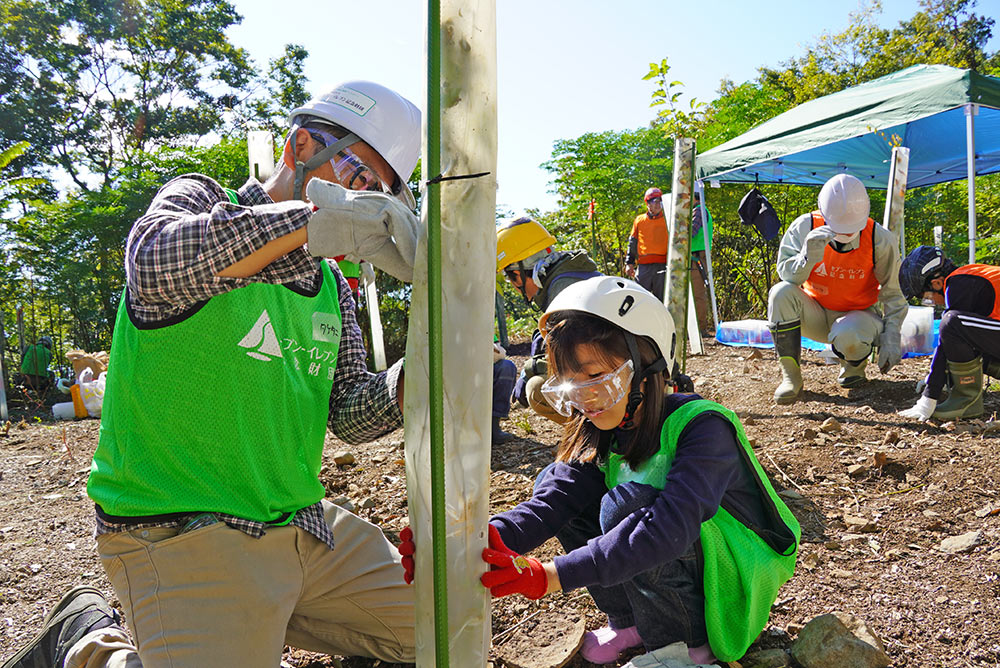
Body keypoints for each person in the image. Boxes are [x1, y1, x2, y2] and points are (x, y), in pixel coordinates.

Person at [2, 80, 420, 668]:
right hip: (183, 531)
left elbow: (348, 411)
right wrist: (316, 223)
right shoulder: (200, 201)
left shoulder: (331, 289)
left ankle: (256, 618)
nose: (366, 206)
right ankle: (86, 642)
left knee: (450, 627)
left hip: (301, 525)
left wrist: (413, 378)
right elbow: (154, 261)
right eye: (358, 183)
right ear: (302, 146)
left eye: (382, 198)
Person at [477, 276, 801, 665]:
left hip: (733, 580)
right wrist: (482, 540)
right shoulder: (605, 428)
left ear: (648, 364)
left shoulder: (704, 427)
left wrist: (548, 575)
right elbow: (551, 502)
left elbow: (668, 528)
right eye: (570, 384)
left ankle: (686, 645)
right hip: (679, 559)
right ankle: (632, 623)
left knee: (626, 507)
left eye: (596, 377)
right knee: (555, 480)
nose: (584, 399)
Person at [767, 174, 906, 405]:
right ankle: (791, 378)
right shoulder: (805, 227)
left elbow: (894, 292)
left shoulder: (879, 238)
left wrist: (891, 337)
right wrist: (806, 259)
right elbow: (787, 276)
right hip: (815, 313)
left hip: (859, 318)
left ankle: (853, 368)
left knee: (850, 336)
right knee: (780, 293)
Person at [496, 216, 602, 424]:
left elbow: (575, 359)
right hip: (626, 373)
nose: (513, 285)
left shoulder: (562, 292)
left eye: (511, 278)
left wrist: (531, 368)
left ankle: (598, 436)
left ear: (519, 273)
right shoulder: (573, 275)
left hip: (613, 381)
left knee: (536, 389)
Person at [897, 245, 999, 420]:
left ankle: (967, 402)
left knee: (951, 322)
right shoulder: (968, 278)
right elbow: (953, 344)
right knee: (956, 330)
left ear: (936, 283)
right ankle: (964, 396)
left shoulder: (958, 284)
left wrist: (929, 397)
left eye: (926, 297)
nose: (933, 303)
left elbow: (947, 335)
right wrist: (937, 378)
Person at [625, 187, 668, 300]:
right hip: (643, 267)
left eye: (660, 201)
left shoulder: (668, 219)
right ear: (647, 203)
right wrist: (629, 263)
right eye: (655, 201)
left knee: (661, 300)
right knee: (640, 299)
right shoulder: (639, 220)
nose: (658, 204)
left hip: (663, 266)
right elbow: (632, 242)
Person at [690, 190, 714, 337]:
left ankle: (700, 329)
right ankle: (698, 328)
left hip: (697, 257)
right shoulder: (700, 210)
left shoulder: (699, 211)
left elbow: (691, 231)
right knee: (695, 294)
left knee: (697, 294)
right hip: (696, 256)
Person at [492, 340, 517, 443]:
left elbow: (500, 353)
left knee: (506, 367)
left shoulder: (483, 326)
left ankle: (494, 425)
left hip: (486, 368)